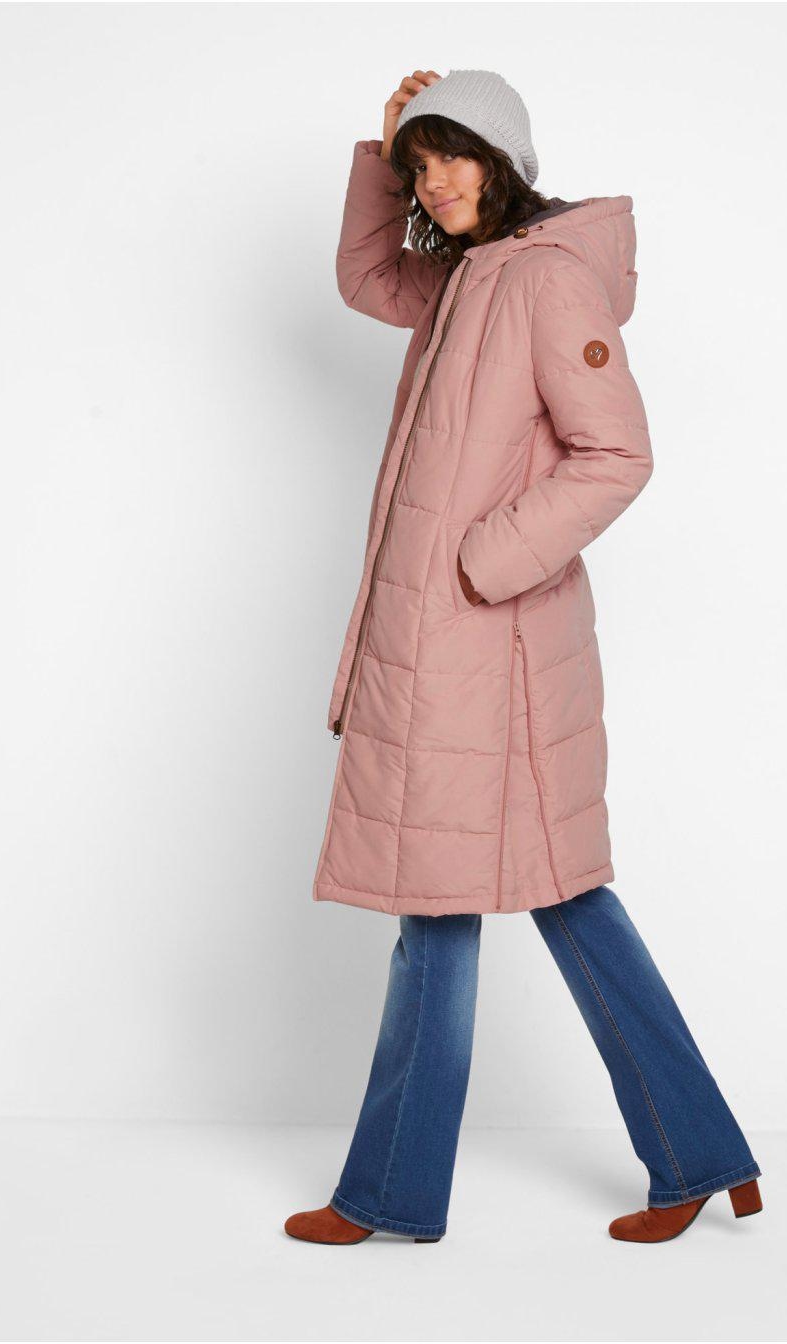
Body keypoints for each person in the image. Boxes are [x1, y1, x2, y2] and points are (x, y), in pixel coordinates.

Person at [285, 69, 762, 1246]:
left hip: (486, 651)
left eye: (453, 156)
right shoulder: (465, 276)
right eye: (420, 167)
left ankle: (394, 1194)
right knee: (542, 900)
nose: (434, 183)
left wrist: (483, 560)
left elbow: (618, 454)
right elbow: (367, 279)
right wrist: (380, 145)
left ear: (505, 159)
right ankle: (698, 1155)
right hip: (451, 651)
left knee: (449, 904)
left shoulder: (543, 280)